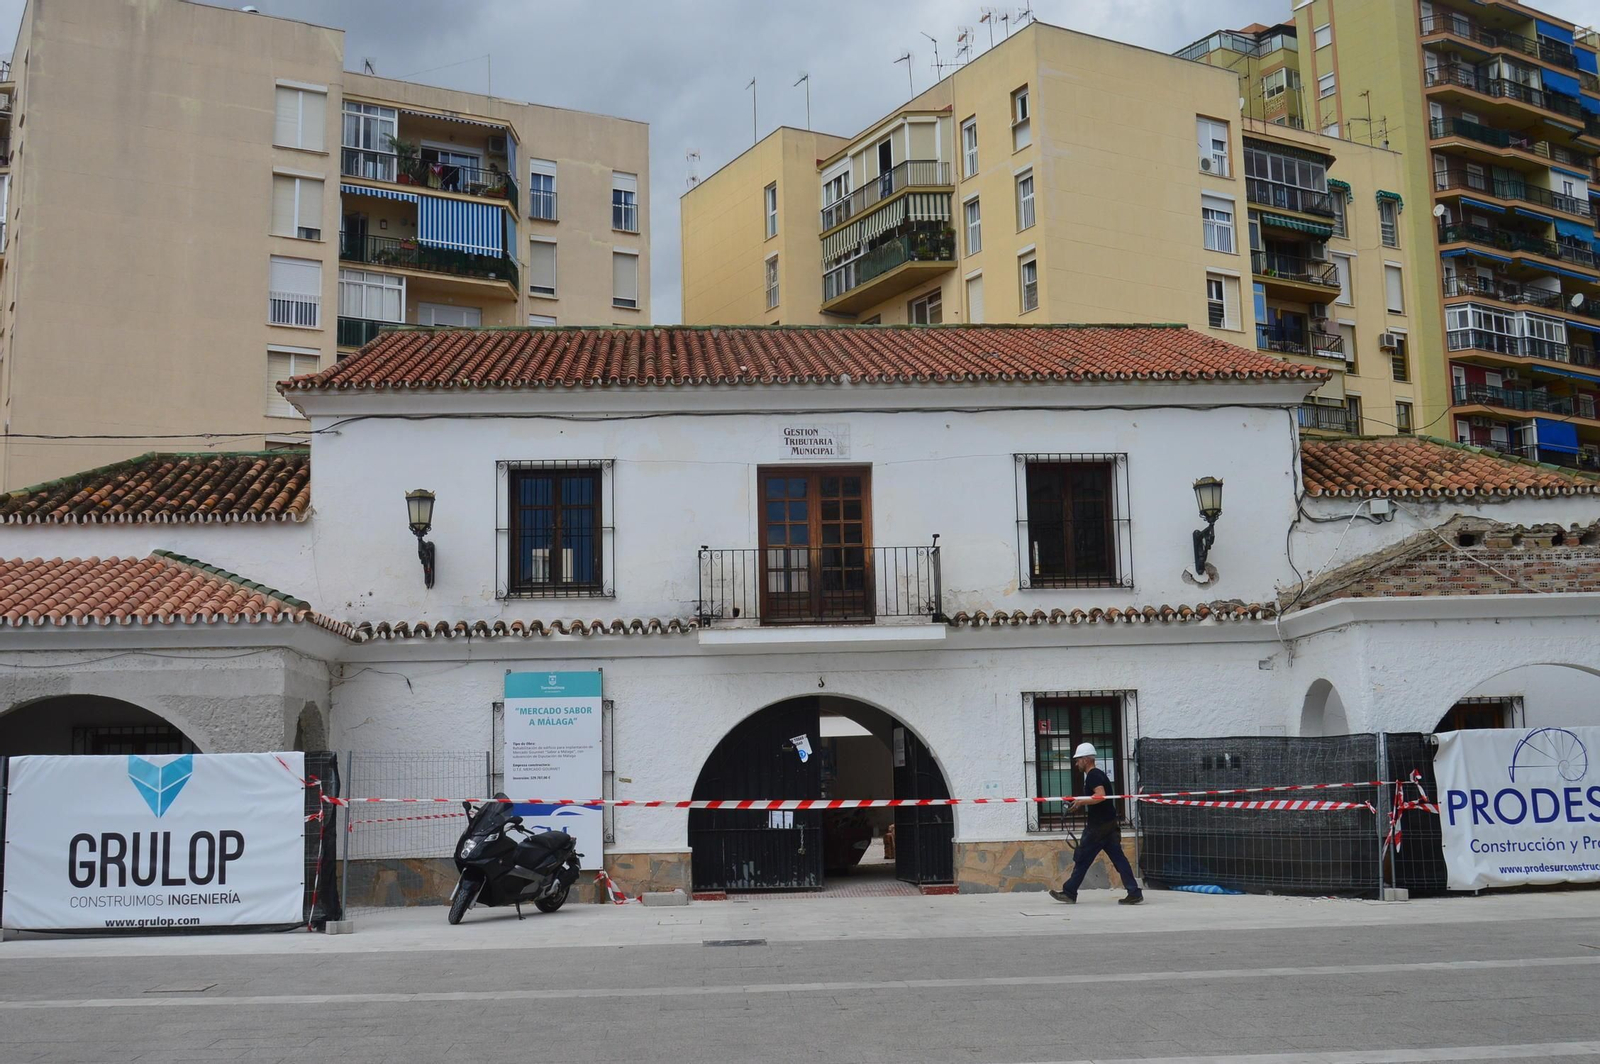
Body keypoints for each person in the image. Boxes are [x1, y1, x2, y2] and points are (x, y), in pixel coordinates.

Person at [1050, 742, 1143, 905]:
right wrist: (1079, 801)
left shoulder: (1093, 775)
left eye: (1078, 759)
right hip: (1109, 825)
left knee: (1082, 858)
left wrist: (1081, 803)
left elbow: (1100, 795)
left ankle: (1069, 892)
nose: (1076, 763)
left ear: (1086, 760)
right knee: (1119, 859)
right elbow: (1097, 797)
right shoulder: (1097, 775)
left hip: (1098, 828)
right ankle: (1134, 892)